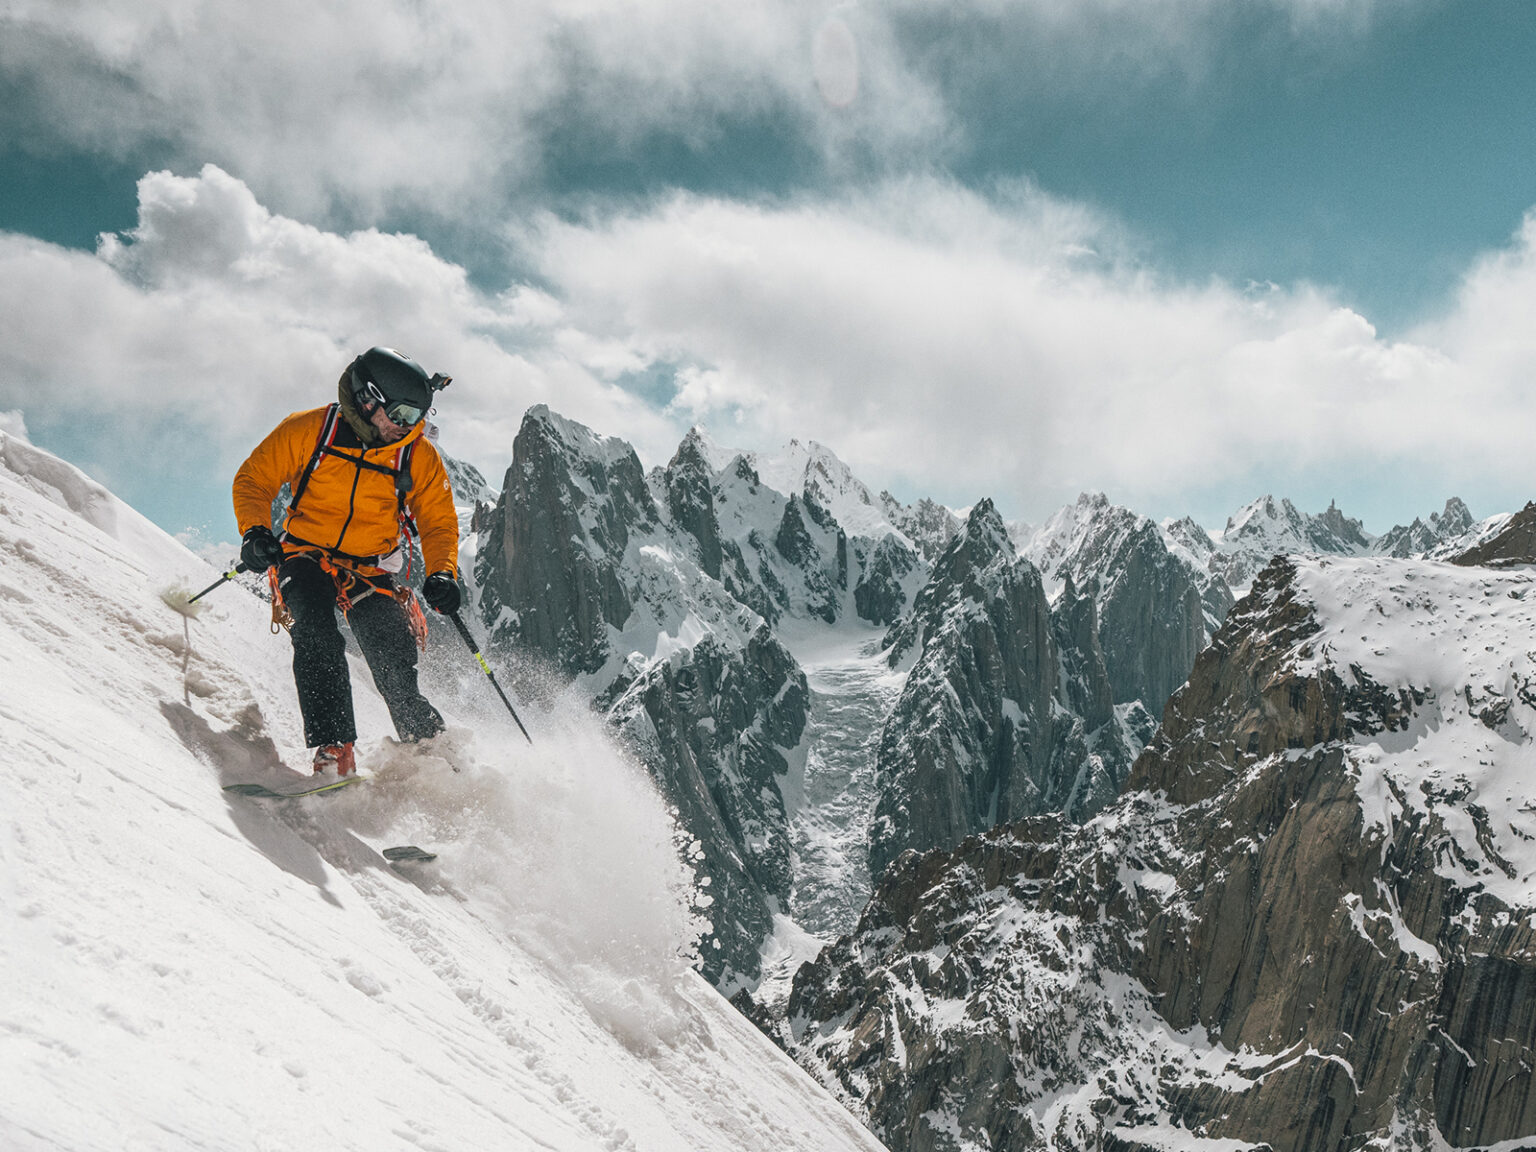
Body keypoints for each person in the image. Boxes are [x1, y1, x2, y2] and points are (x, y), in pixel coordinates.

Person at [232, 347, 464, 777]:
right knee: (317, 636)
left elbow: (438, 520)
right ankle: (334, 749)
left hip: (370, 566)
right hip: (305, 553)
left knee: (393, 658)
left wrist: (443, 571)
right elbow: (255, 479)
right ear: (367, 398)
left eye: (417, 418)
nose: (407, 427)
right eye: (401, 415)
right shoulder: (311, 430)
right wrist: (256, 531)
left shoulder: (416, 455)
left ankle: (432, 759)